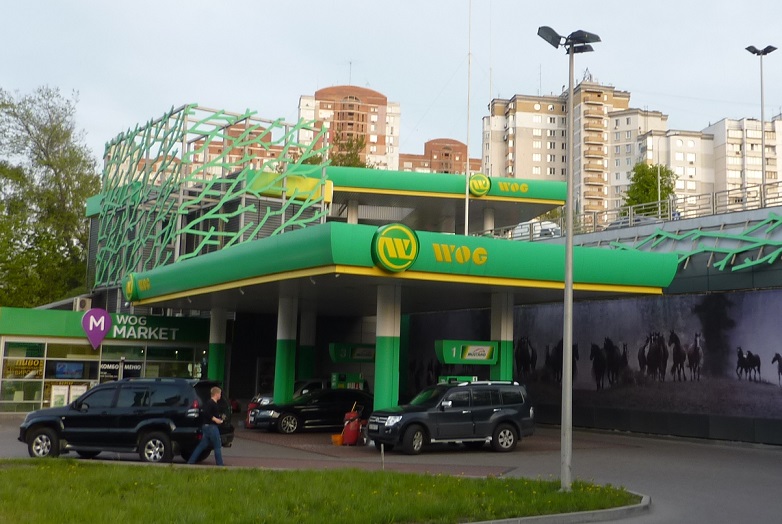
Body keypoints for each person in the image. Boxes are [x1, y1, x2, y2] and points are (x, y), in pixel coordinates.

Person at [187, 386, 225, 466]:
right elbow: (206, 413)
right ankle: (220, 465)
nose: (220, 395)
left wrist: (220, 418)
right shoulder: (211, 403)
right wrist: (215, 419)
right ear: (216, 394)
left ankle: (191, 462)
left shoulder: (210, 403)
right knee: (217, 445)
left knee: (202, 445)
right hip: (212, 427)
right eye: (220, 394)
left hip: (206, 427)